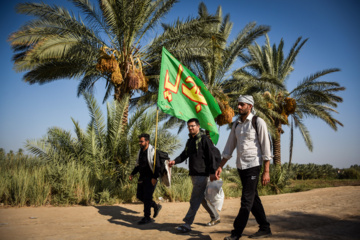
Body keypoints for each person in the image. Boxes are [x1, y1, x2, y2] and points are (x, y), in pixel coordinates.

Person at [215, 95, 272, 240]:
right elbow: (229, 147)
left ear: (250, 106)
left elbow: (266, 147)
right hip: (241, 166)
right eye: (238, 104)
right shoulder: (236, 125)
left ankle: (236, 234)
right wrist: (221, 166)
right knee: (253, 199)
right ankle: (264, 227)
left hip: (254, 165)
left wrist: (266, 171)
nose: (239, 107)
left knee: (246, 201)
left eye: (242, 105)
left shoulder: (258, 122)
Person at [168, 118, 220, 233]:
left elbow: (211, 156)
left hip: (202, 174)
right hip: (193, 174)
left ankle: (187, 223)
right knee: (201, 198)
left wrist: (212, 172)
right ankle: (215, 216)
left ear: (198, 126)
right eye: (189, 126)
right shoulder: (190, 141)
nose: (190, 128)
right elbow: (184, 154)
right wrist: (174, 161)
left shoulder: (204, 139)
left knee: (194, 199)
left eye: (193, 126)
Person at [129, 133, 162, 225]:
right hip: (142, 177)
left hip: (151, 178)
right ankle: (155, 206)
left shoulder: (153, 151)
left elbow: (157, 166)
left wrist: (155, 177)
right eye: (139, 141)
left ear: (147, 141)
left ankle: (147, 217)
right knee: (139, 196)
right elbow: (138, 165)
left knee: (147, 197)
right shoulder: (140, 152)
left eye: (141, 141)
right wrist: (132, 173)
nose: (140, 143)